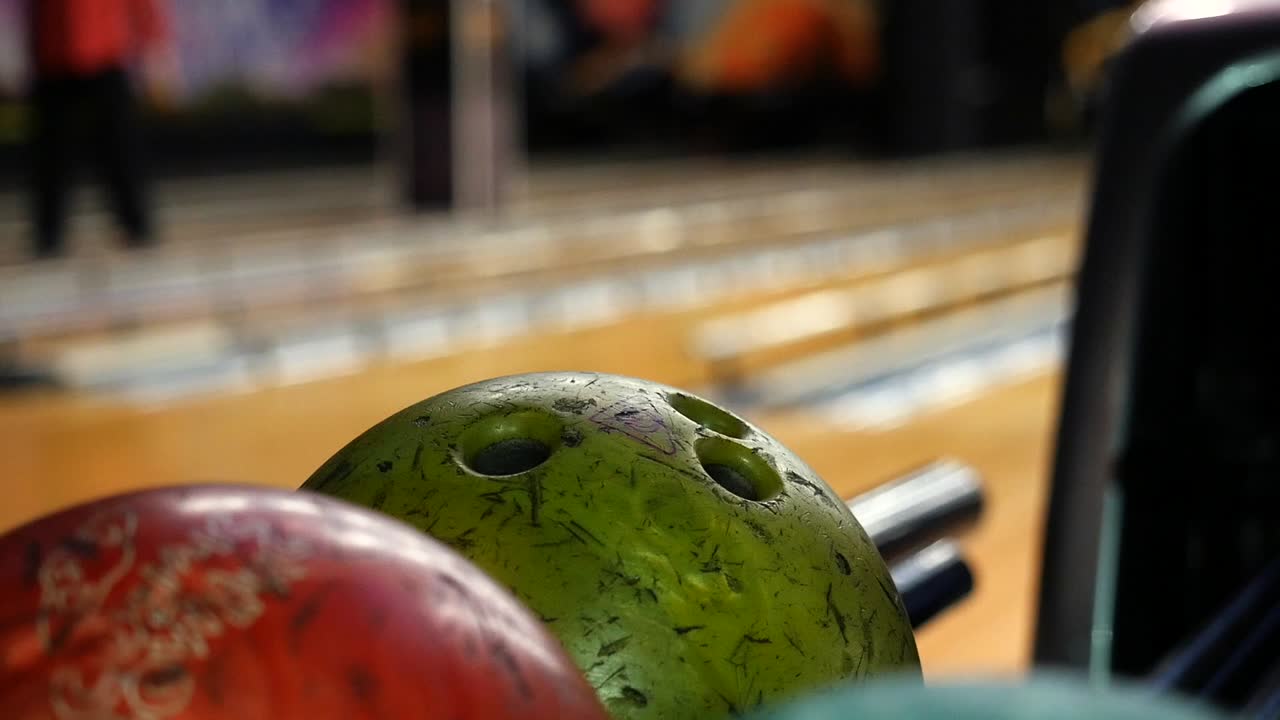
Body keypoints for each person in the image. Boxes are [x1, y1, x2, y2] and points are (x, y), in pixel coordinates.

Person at [24, 0, 174, 259]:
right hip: (53, 55)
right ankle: (48, 233)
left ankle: (136, 224)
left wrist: (153, 44)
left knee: (120, 147)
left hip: (105, 51)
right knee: (52, 153)